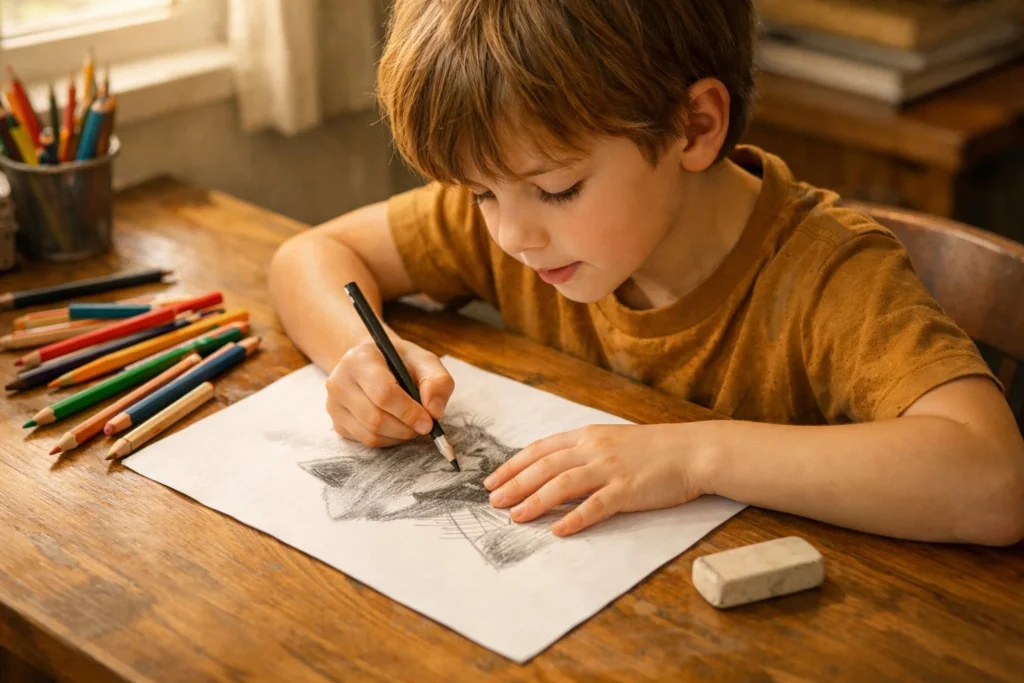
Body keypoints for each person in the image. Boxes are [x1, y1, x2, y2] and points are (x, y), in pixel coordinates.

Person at [269, 0, 1024, 546]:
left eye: (558, 188)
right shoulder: (515, 207)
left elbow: (992, 478)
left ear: (695, 126)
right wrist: (361, 358)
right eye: (479, 193)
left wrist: (691, 453)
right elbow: (307, 258)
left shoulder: (828, 274)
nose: (511, 235)